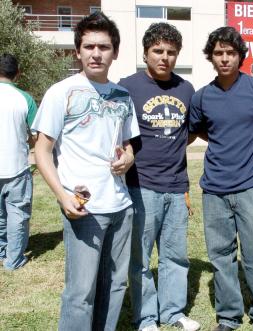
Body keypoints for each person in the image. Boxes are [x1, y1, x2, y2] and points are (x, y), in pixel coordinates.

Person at [32, 12, 139, 330]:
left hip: (121, 206)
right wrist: (63, 196)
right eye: (89, 46)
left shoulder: (123, 96)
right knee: (81, 292)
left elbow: (128, 144)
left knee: (116, 285)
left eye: (103, 47)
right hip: (84, 207)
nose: (96, 53)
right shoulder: (60, 92)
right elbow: (42, 151)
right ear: (78, 51)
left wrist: (129, 157)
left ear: (115, 52)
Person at [188, 26, 253, 331]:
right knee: (221, 256)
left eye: (230, 52)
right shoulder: (202, 97)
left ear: (240, 55)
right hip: (214, 189)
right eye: (218, 53)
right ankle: (228, 317)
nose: (225, 58)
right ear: (211, 57)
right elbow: (198, 129)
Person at [118, 23, 199, 331]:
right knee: (140, 259)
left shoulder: (186, 89)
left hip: (177, 187)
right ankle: (146, 318)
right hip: (142, 186)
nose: (165, 57)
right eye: (158, 51)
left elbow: (187, 133)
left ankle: (173, 312)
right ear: (146, 53)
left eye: (171, 52)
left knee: (175, 256)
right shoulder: (127, 86)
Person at [0, 53, 37, 271]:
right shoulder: (25, 98)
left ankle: (1, 250)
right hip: (17, 167)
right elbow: (37, 134)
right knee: (17, 214)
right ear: (18, 73)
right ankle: (13, 259)